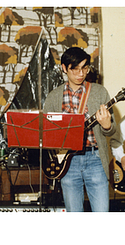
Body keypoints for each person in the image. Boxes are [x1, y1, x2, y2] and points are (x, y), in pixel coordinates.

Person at [43, 47, 116, 212]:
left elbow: (112, 131)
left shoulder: (99, 92)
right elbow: (46, 132)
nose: (80, 73)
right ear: (64, 68)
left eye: (84, 68)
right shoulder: (53, 96)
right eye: (74, 69)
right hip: (68, 163)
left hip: (96, 158)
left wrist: (107, 125)